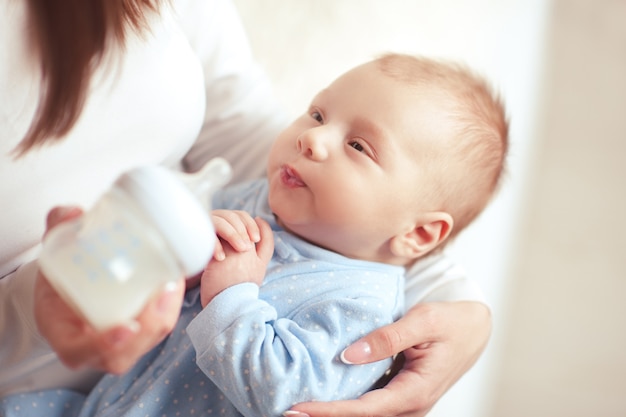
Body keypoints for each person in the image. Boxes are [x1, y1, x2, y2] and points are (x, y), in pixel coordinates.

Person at [0, 0, 493, 415]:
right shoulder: (261, 199)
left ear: (421, 236)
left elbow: (287, 393)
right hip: (98, 398)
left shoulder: (362, 312)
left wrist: (232, 295)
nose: (312, 138)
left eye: (359, 146)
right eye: (318, 113)